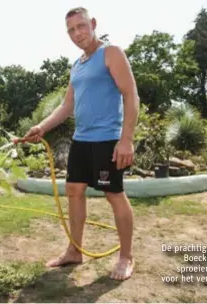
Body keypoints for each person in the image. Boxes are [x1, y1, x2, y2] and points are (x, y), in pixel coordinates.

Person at [19, 7, 139, 281]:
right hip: (81, 140)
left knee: (113, 194)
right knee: (73, 190)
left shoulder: (111, 53)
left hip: (108, 139)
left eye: (81, 26)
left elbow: (131, 95)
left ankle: (126, 256)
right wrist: (41, 127)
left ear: (93, 24)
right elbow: (67, 105)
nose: (77, 33)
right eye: (71, 30)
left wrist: (126, 139)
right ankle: (74, 250)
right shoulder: (77, 65)